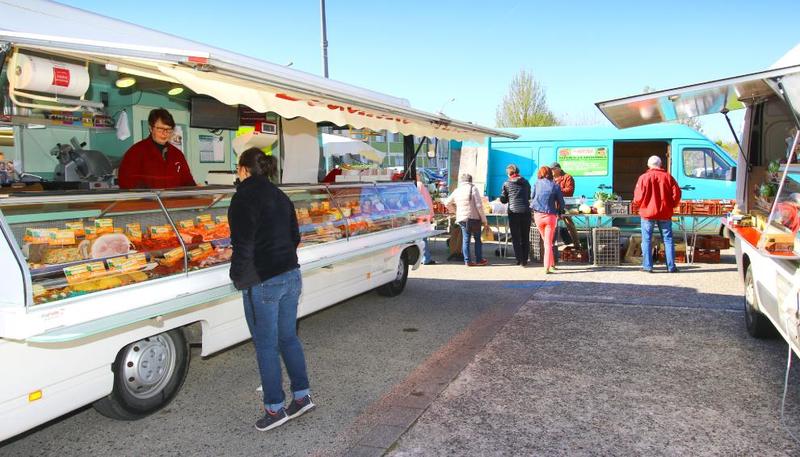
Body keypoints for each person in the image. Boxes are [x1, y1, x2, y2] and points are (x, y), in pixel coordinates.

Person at [228, 148, 314, 431]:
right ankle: (302, 397)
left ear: (243, 170)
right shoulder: (280, 195)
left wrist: (238, 277)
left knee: (266, 345)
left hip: (263, 280)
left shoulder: (243, 197)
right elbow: (295, 236)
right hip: (291, 275)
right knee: (288, 338)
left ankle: (275, 409)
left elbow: (243, 244)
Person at [118, 108, 196, 189]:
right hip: (147, 200)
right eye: (160, 129)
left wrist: (195, 190)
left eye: (169, 130)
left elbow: (188, 181)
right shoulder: (136, 152)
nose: (164, 133)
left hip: (173, 200)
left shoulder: (177, 154)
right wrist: (148, 194)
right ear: (150, 128)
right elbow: (126, 180)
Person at [633, 155, 682, 273]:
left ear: (649, 165)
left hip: (647, 213)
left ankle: (648, 267)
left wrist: (639, 205)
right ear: (660, 164)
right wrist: (672, 206)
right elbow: (677, 195)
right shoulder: (668, 177)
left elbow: (638, 197)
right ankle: (671, 267)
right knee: (668, 240)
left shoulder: (643, 178)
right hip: (665, 213)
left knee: (646, 240)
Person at [445, 173, 489, 266]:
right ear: (470, 180)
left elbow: (447, 203)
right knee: (477, 239)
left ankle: (467, 261)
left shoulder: (457, 190)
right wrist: (484, 219)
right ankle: (479, 259)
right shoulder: (473, 188)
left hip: (462, 219)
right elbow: (479, 206)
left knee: (466, 240)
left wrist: (456, 212)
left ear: (462, 181)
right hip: (474, 218)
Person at [531, 166, 565, 274]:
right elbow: (562, 203)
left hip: (538, 216)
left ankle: (552, 264)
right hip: (550, 216)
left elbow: (532, 197)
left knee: (546, 240)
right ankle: (547, 267)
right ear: (550, 173)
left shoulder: (536, 183)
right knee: (548, 243)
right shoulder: (555, 186)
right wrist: (559, 212)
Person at [499, 164, 532, 266]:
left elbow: (503, 200)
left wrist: (503, 197)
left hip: (513, 213)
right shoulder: (526, 182)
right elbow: (529, 196)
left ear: (509, 173)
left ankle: (519, 259)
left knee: (516, 237)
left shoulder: (506, 183)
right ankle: (525, 259)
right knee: (525, 236)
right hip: (526, 212)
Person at [416, 174, 436, 265]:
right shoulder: (421, 185)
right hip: (424, 215)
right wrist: (431, 215)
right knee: (422, 238)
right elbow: (428, 200)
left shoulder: (417, 185)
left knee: (421, 239)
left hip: (420, 216)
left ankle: (425, 258)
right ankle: (425, 258)